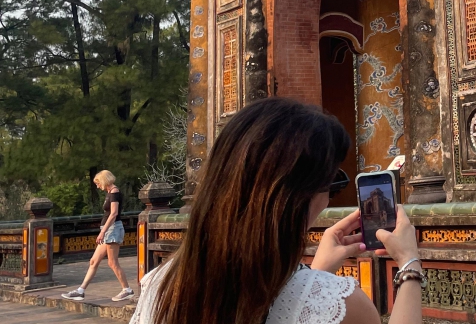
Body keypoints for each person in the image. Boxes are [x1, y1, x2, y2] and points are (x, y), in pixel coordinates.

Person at [130, 97, 425, 324]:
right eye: (333, 183)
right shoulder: (344, 304)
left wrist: (316, 274)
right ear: (302, 196)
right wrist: (409, 264)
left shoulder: (162, 285)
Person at [61, 170, 134, 302]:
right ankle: (81, 291)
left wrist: (102, 232)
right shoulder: (109, 193)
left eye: (98, 183)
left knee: (112, 262)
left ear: (104, 180)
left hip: (112, 230)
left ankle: (127, 290)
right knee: (94, 261)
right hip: (108, 230)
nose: (97, 186)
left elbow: (113, 214)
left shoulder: (115, 193)